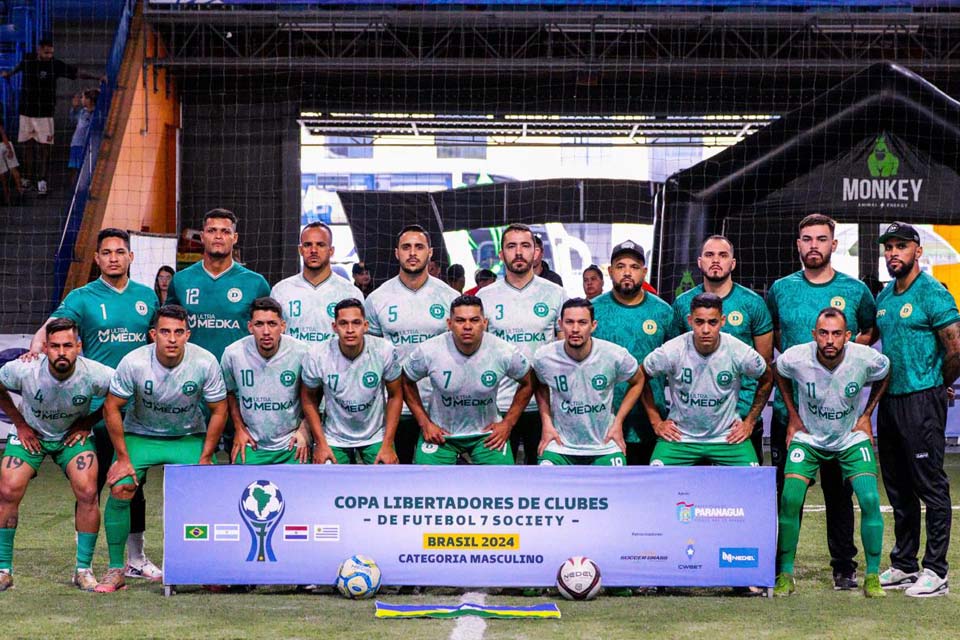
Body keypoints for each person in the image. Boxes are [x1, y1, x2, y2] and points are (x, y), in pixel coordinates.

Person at [27, 228, 160, 581]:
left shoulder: (147, 297)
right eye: (106, 252)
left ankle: (135, 558)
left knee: (134, 483)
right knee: (89, 485)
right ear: (97, 259)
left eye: (120, 251)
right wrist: (36, 346)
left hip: (136, 410)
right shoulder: (83, 297)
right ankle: (82, 565)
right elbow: (53, 326)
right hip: (93, 411)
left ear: (131, 257)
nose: (114, 257)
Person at [766, 213, 876, 590]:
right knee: (787, 494)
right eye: (806, 239)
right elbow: (776, 337)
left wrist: (840, 359)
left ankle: (843, 566)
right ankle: (780, 568)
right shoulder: (780, 289)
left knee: (839, 493)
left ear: (833, 244)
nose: (813, 245)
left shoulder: (856, 289)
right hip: (793, 415)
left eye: (821, 239)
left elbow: (868, 329)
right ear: (798, 245)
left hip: (839, 417)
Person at [96, 305, 227, 593]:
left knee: (208, 491)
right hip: (141, 435)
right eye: (165, 332)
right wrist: (122, 458)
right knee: (121, 486)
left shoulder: (205, 362)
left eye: (178, 332)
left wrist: (206, 455)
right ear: (154, 334)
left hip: (187, 436)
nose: (171, 339)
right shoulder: (134, 362)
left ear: (187, 335)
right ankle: (117, 569)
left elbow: (219, 410)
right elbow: (111, 407)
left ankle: (204, 567)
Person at [773, 308, 890, 598]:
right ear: (814, 335)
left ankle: (872, 576)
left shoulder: (864, 357)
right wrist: (792, 415)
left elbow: (886, 372)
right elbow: (777, 370)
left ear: (847, 336)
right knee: (789, 498)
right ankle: (785, 573)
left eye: (836, 334)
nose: (829, 340)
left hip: (849, 438)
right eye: (823, 333)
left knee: (870, 498)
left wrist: (867, 415)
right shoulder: (796, 357)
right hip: (809, 438)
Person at [870, 222, 960, 597]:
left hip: (922, 401)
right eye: (888, 247)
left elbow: (955, 348)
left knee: (930, 485)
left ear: (918, 251)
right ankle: (905, 564)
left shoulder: (933, 293)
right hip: (890, 402)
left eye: (901, 246)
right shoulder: (885, 296)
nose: (893, 253)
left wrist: (939, 387)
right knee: (898, 486)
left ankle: (936, 570)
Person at [0, 318, 114, 592]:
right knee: (7, 488)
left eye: (67, 345)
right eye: (54, 346)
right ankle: (3, 568)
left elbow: (119, 395)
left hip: (70, 437)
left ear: (78, 347)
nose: (61, 352)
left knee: (88, 491)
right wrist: (20, 423)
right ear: (45, 348)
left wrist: (88, 423)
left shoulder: (96, 374)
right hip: (32, 435)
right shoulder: (25, 369)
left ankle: (83, 570)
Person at [673, 235, 773, 464]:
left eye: (722, 255)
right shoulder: (682, 304)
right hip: (693, 426)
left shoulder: (753, 303)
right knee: (688, 494)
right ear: (699, 262)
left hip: (741, 422)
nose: (715, 260)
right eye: (709, 255)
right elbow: (675, 360)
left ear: (733, 263)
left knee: (742, 495)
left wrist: (749, 419)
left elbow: (764, 366)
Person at [363, 225, 458, 464]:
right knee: (394, 482)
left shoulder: (449, 298)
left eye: (419, 247)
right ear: (397, 253)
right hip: (393, 408)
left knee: (433, 485)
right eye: (406, 247)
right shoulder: (377, 299)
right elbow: (372, 356)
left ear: (430, 253)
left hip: (440, 409)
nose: (412, 253)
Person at [642, 293, 772, 466]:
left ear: (722, 321)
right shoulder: (673, 350)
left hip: (727, 437)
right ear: (690, 321)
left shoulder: (738, 350)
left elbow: (767, 377)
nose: (705, 330)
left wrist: (749, 422)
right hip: (680, 437)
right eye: (699, 322)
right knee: (656, 482)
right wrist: (656, 422)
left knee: (751, 484)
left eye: (712, 322)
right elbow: (640, 375)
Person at [402, 295, 533, 465]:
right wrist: (424, 423)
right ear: (449, 324)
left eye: (474, 320)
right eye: (460, 320)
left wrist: (508, 423)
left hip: (487, 436)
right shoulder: (429, 350)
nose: (467, 326)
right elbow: (405, 381)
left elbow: (530, 381)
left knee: (502, 486)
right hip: (441, 435)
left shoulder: (504, 351)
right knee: (427, 486)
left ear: (484, 323)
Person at [478, 223, 566, 465]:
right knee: (499, 483)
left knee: (543, 481)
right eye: (511, 246)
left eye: (525, 246)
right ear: (501, 254)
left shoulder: (556, 294)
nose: (518, 252)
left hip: (544, 408)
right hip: (498, 406)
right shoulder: (484, 297)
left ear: (536, 252)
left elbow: (563, 353)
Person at [533, 298, 645, 466]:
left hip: (604, 444)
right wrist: (547, 423)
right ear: (560, 324)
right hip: (561, 446)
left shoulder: (615, 355)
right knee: (547, 484)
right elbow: (540, 384)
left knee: (615, 488)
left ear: (593, 325)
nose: (575, 329)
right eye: (569, 322)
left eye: (582, 322)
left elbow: (638, 380)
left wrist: (618, 421)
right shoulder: (544, 357)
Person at [592, 241, 674, 465]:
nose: (627, 272)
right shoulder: (592, 311)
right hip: (602, 423)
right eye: (620, 266)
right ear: (610, 271)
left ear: (644, 272)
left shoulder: (664, 312)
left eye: (634, 267)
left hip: (651, 422)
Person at [301, 299, 403, 465]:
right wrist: (320, 443)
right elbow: (308, 398)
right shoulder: (317, 355)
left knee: (387, 480)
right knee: (325, 483)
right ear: (334, 327)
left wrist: (388, 444)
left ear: (366, 325)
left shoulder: (384, 350)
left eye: (356, 323)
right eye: (343, 324)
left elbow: (395, 395)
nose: (350, 330)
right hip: (334, 438)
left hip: (375, 435)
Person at [166, 208, 271, 362]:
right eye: (212, 230)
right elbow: (166, 326)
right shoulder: (181, 280)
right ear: (202, 236)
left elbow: (268, 331)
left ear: (234, 238)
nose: (218, 236)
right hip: (192, 372)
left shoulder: (256, 283)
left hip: (240, 372)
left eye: (225, 231)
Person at [0, 38, 101, 195]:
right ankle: (28, 178)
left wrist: (97, 77)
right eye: (47, 52)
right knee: (27, 146)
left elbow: (76, 73)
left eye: (52, 52)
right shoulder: (28, 59)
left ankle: (42, 180)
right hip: (26, 111)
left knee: (45, 148)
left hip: (45, 113)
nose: (49, 55)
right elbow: (18, 67)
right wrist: (9, 73)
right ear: (39, 50)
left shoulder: (55, 65)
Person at [220, 297, 310, 465]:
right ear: (250, 327)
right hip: (252, 444)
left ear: (282, 326)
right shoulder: (233, 354)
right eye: (259, 324)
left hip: (291, 443)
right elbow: (229, 393)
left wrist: (305, 430)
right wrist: (239, 429)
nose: (266, 331)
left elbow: (314, 395)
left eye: (272, 324)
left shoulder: (302, 353)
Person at [271, 222, 363, 344]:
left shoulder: (350, 293)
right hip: (293, 363)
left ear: (331, 250)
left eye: (320, 245)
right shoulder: (281, 291)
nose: (313, 250)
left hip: (334, 363)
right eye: (308, 245)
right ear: (300, 250)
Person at [68, 88, 98, 184]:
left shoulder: (96, 113)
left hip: (86, 145)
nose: (81, 99)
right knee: (73, 169)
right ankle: (73, 190)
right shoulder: (82, 112)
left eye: (83, 97)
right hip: (76, 143)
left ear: (89, 100)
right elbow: (72, 120)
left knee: (84, 169)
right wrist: (74, 108)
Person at [0, 124, 23, 205]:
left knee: (1, 174)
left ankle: (7, 197)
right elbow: (2, 133)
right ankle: (20, 192)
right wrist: (9, 148)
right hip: (6, 144)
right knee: (13, 169)